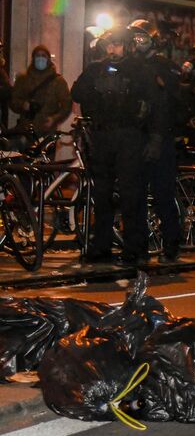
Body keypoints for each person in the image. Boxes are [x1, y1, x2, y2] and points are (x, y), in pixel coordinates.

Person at [71, 26, 168, 264]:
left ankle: (135, 248)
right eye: (110, 45)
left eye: (117, 45)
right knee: (101, 195)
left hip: (129, 137)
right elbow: (76, 93)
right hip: (102, 137)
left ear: (127, 46)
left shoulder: (140, 71)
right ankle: (101, 247)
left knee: (130, 195)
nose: (113, 50)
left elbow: (156, 107)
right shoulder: (97, 69)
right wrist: (96, 84)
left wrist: (155, 139)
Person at [126, 19, 184, 263]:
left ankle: (171, 245)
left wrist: (158, 138)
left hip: (161, 140)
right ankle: (138, 249)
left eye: (142, 38)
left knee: (162, 195)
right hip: (136, 138)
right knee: (135, 196)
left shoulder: (164, 67)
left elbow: (168, 105)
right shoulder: (130, 67)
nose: (137, 43)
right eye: (134, 39)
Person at [8, 45, 72, 147]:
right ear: (33, 59)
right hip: (26, 129)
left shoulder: (58, 81)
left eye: (43, 56)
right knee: (25, 160)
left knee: (46, 161)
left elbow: (67, 104)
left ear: (48, 59)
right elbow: (13, 100)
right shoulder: (23, 79)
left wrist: (54, 118)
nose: (40, 58)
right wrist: (22, 105)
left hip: (47, 131)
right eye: (38, 56)